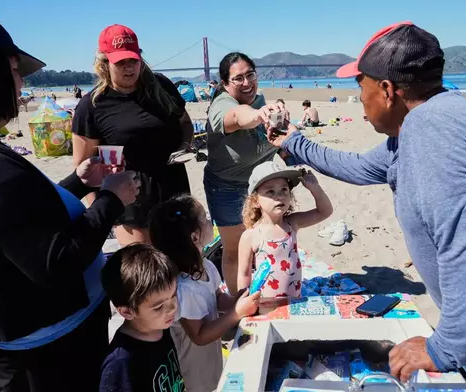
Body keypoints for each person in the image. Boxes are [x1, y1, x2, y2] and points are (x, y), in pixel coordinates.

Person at [267, 21, 466, 391]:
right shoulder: (426, 122)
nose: (360, 98)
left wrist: (445, 348)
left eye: (360, 86)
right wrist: (296, 144)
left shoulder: (432, 132)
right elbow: (360, 167)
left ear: (387, 89)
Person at [0, 9, 140, 391]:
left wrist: (77, 182)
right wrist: (111, 199)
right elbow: (58, 261)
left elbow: (11, 220)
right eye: (13, 70)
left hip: (12, 340)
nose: (22, 82)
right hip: (45, 355)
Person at [72, 24, 193, 246]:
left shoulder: (161, 86)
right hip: (130, 205)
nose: (129, 68)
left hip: (175, 194)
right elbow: (83, 168)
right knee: (146, 276)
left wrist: (185, 144)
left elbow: (185, 122)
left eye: (133, 60)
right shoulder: (91, 105)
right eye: (120, 62)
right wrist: (100, 211)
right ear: (104, 63)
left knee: (181, 269)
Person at [149, 195, 261, 391]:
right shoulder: (184, 289)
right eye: (205, 218)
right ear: (194, 237)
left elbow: (216, 297)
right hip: (193, 368)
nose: (211, 222)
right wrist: (237, 313)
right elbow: (199, 336)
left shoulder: (204, 265)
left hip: (210, 355)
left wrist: (238, 300)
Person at [204, 52, 288, 295]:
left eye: (250, 75)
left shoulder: (261, 100)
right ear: (225, 84)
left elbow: (274, 144)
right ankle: (238, 303)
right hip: (227, 189)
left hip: (258, 187)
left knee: (259, 244)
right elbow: (239, 117)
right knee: (235, 249)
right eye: (238, 78)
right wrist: (258, 115)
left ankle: (261, 292)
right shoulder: (222, 105)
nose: (246, 83)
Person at [237, 162, 332, 301]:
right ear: (255, 201)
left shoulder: (292, 223)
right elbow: (244, 274)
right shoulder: (251, 236)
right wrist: (243, 304)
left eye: (284, 190)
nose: (279, 196)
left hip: (295, 301)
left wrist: (315, 188)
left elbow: (325, 212)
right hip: (265, 304)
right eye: (270, 191)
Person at [99, 244, 185, 392]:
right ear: (127, 312)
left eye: (173, 296)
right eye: (158, 307)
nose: (172, 308)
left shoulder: (160, 326)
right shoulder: (120, 363)